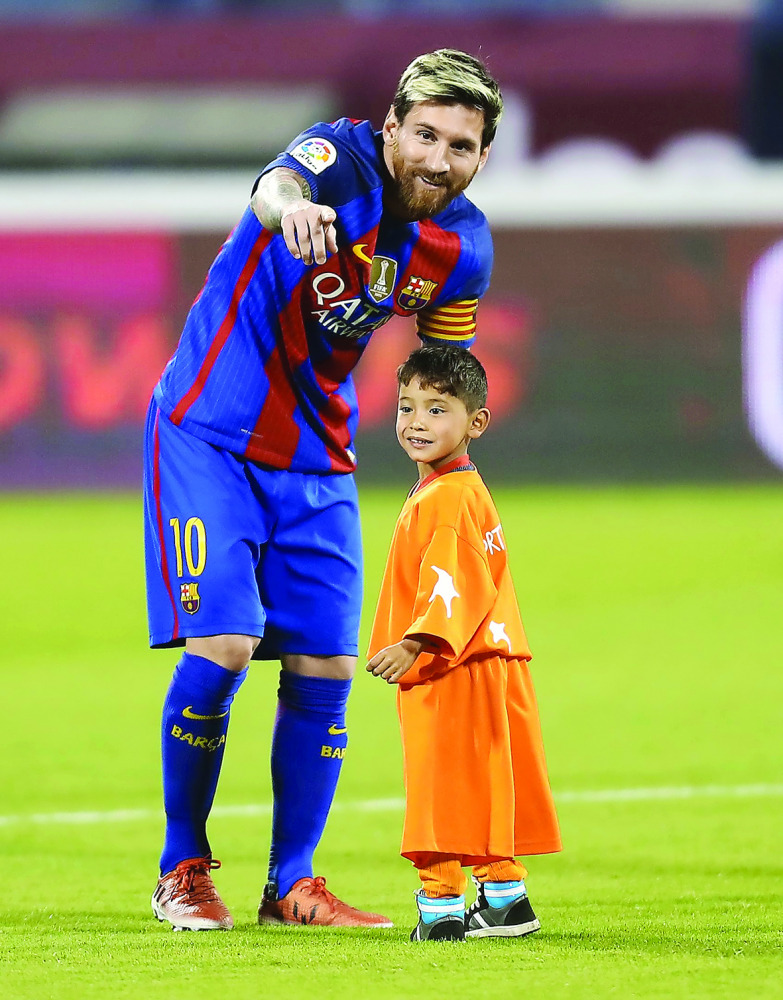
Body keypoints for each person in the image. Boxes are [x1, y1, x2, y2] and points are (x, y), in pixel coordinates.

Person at [144, 49, 504, 931]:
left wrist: (449, 490)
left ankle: (290, 885)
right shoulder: (332, 164)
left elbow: (441, 370)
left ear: (482, 157)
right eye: (423, 133)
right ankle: (181, 869)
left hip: (317, 453)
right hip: (209, 429)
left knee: (327, 665)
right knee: (226, 641)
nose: (436, 156)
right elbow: (273, 184)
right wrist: (292, 212)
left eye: (460, 144)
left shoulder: (463, 247)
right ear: (391, 127)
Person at [366, 346, 562, 942]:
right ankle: (505, 899)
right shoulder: (460, 487)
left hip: (452, 664)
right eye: (407, 407)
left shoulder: (446, 497)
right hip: (493, 662)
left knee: (441, 784)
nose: (416, 422)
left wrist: (415, 643)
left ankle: (442, 907)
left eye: (437, 409)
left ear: (475, 423)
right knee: (487, 781)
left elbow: (454, 580)